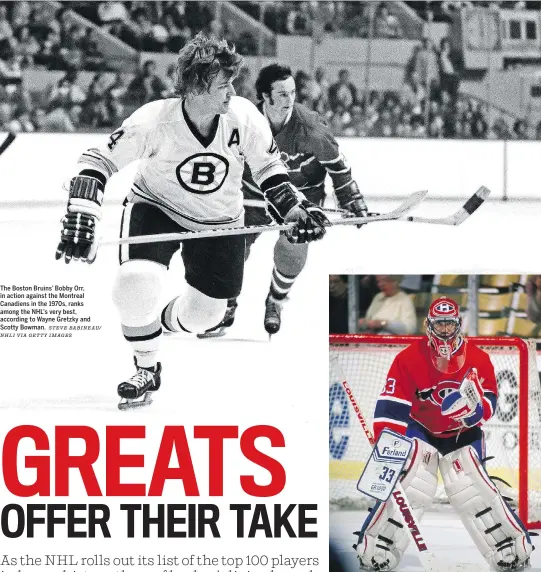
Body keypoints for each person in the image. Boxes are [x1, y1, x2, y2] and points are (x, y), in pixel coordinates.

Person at [55, 34, 328, 408]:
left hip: (220, 221)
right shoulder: (154, 120)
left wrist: (294, 209)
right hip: (157, 207)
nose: (232, 92)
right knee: (135, 285)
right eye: (223, 84)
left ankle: (156, 325)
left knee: (205, 316)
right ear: (197, 87)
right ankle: (147, 367)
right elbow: (95, 162)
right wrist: (83, 213)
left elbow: (268, 168)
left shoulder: (244, 116)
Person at [355, 297, 533, 572]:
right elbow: (392, 406)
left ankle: (511, 549)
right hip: (421, 429)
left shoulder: (478, 359)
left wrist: (474, 413)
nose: (446, 331)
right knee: (412, 484)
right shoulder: (408, 358)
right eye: (441, 325)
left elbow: (489, 403)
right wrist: (388, 442)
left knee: (472, 489)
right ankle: (376, 548)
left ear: (459, 325)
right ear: (429, 325)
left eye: (450, 325)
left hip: (463, 432)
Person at [200, 63, 367, 337]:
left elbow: (338, 166)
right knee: (231, 247)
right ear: (265, 97)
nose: (290, 100)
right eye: (282, 95)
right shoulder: (242, 120)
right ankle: (225, 306)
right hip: (253, 194)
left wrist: (351, 197)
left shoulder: (311, 128)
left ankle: (275, 301)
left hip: (302, 198)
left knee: (293, 247)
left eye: (292, 93)